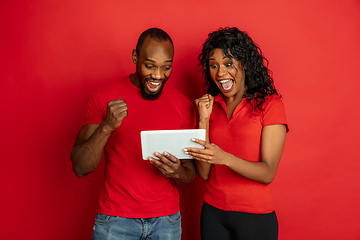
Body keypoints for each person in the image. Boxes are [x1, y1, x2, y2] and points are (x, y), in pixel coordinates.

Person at [70, 28, 196, 240]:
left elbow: (190, 174)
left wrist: (177, 172)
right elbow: (80, 167)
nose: (158, 75)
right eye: (150, 66)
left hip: (166, 221)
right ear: (135, 57)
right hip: (116, 220)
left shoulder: (183, 106)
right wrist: (107, 126)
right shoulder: (104, 97)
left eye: (166, 67)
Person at [184, 27, 289, 240]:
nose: (220, 73)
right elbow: (203, 173)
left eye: (228, 63)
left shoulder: (270, 105)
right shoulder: (211, 106)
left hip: (255, 217)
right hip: (213, 213)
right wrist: (203, 119)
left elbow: (268, 172)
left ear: (245, 63)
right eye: (213, 65)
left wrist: (225, 158)